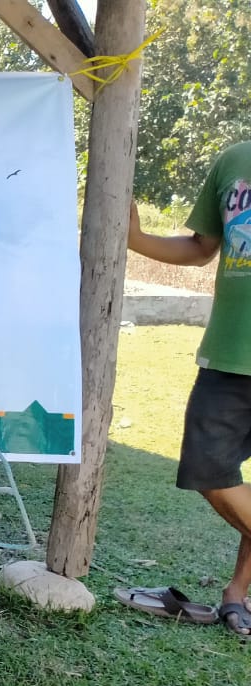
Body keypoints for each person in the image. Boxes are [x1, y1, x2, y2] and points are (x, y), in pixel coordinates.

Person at [127, 141, 251, 641]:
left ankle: (236, 595)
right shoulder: (235, 160)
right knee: (208, 469)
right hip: (230, 350)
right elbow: (202, 248)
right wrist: (134, 239)